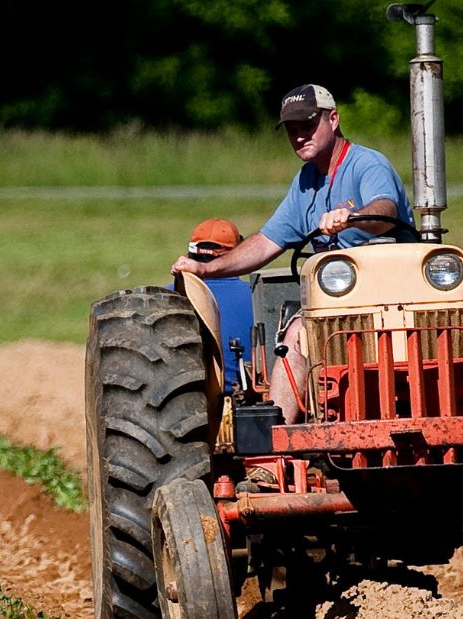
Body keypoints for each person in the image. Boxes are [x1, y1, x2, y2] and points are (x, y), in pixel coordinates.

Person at [171, 84, 413, 422]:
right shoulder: (306, 182)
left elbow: (386, 210)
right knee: (294, 336)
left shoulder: (366, 164)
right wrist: (206, 269)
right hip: (337, 304)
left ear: (334, 119)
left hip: (394, 297)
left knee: (301, 330)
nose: (299, 136)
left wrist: (353, 217)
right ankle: (276, 449)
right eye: (292, 130)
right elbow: (267, 242)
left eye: (308, 126)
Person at [168, 218, 255, 393]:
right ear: (238, 255)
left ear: (189, 253)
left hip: (186, 399)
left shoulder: (168, 297)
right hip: (248, 399)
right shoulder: (257, 296)